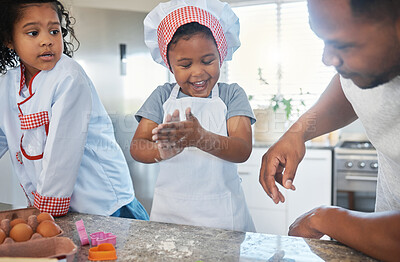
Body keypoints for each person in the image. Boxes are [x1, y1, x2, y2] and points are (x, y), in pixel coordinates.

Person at [259, 0, 400, 260]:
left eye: (343, 45)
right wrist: (297, 132)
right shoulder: (371, 62)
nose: (327, 59)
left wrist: (323, 218)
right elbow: (351, 88)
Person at [0, 0, 149, 220]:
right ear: (9, 40)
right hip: (59, 207)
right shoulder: (7, 85)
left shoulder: (69, 77)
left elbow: (62, 151)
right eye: (33, 33)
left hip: (104, 204)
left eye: (54, 31)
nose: (46, 41)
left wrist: (44, 213)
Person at [131, 0, 255, 232]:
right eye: (185, 65)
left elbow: (242, 149)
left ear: (221, 54)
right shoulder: (161, 97)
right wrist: (162, 151)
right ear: (170, 65)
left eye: (208, 61)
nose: (198, 72)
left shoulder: (231, 95)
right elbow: (138, 146)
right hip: (171, 216)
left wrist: (200, 137)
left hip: (223, 219)